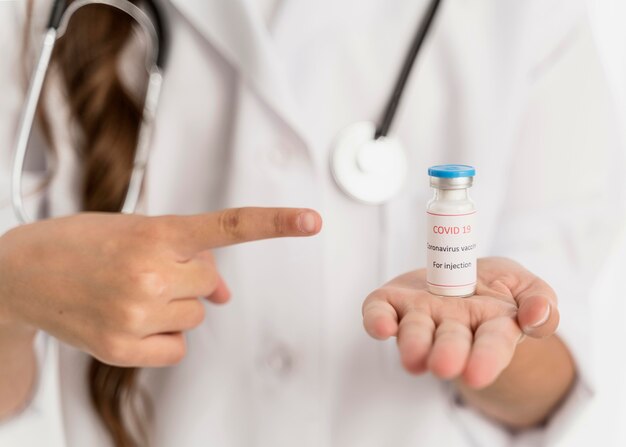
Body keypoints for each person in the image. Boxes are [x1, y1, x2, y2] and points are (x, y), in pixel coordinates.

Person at [0, 0, 624, 446]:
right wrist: (10, 292)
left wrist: (498, 329)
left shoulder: (536, 14)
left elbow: (557, 383)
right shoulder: (43, 17)